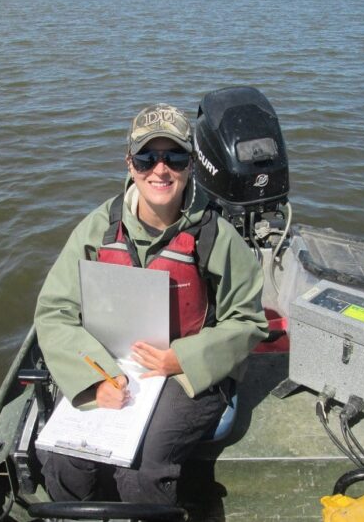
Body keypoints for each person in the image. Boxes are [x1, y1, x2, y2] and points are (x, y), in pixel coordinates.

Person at [34, 103, 269, 505]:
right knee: (62, 459)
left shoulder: (217, 236)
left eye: (174, 157)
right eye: (147, 157)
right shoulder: (97, 227)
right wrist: (95, 379)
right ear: (129, 164)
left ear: (191, 165)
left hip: (187, 372)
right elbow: (53, 312)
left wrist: (182, 357)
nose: (160, 170)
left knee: (144, 464)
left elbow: (248, 321)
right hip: (110, 363)